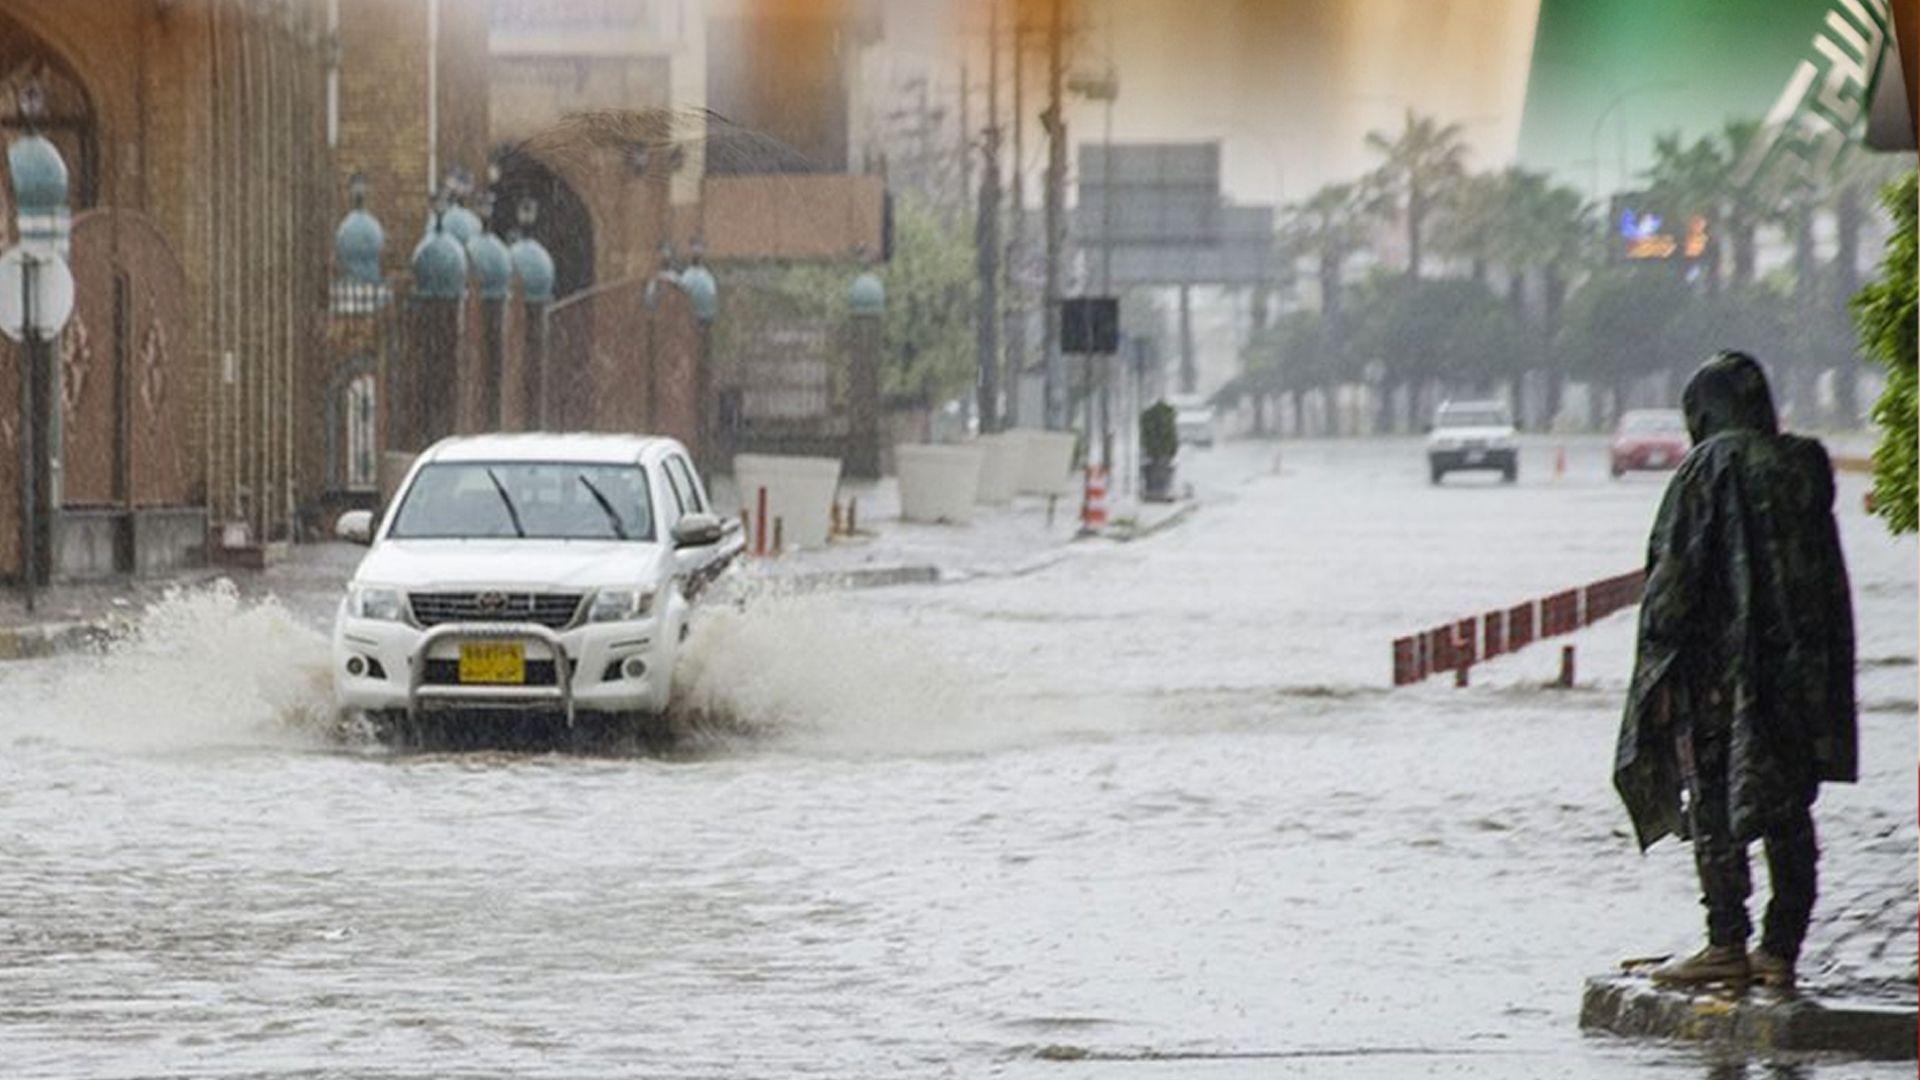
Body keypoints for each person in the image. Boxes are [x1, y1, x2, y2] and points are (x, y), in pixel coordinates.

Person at [1614, 352, 1856, 991]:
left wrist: (1658, 669)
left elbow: (1675, 578)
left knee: (1717, 799)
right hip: (1804, 672)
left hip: (1725, 673)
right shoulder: (1806, 464)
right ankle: (1780, 948)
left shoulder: (1709, 466)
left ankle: (1726, 942)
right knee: (1790, 806)